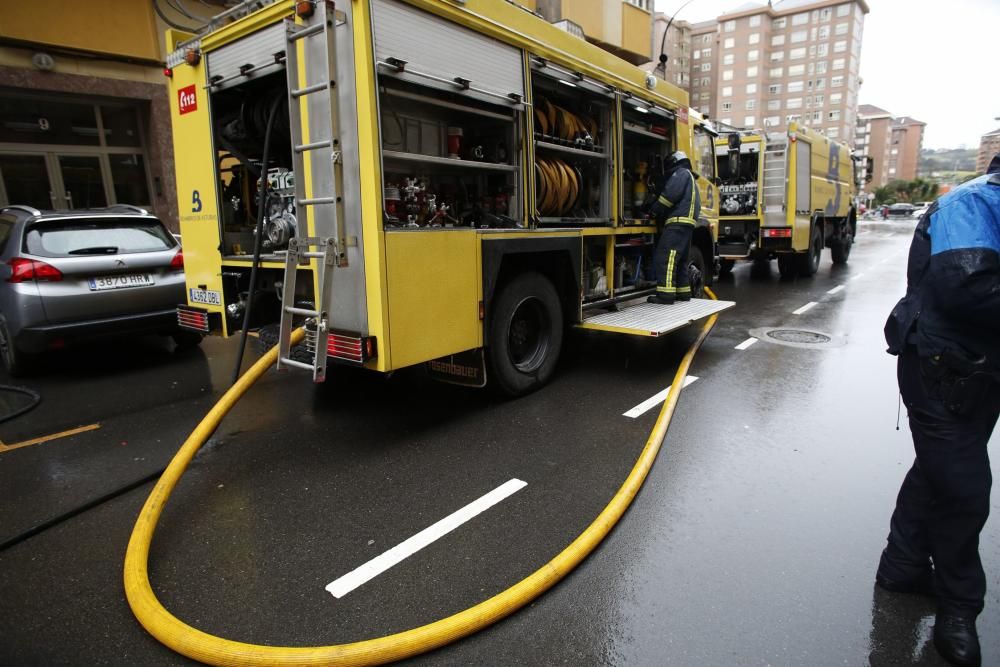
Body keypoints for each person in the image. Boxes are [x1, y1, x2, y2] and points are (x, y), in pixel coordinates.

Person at [879, 152, 1000, 666]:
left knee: (939, 471)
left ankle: (902, 568)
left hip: (973, 369)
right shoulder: (973, 204)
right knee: (965, 488)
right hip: (941, 370)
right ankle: (959, 609)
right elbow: (968, 287)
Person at [647, 150, 700, 305]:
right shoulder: (690, 176)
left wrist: (654, 209)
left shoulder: (681, 174)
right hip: (686, 223)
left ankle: (666, 295)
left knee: (666, 258)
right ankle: (683, 293)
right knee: (681, 260)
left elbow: (669, 196)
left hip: (677, 222)